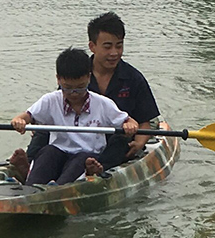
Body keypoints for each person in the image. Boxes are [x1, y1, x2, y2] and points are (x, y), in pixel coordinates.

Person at [23, 11, 160, 175]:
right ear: (92, 46)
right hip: (76, 137)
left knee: (119, 140)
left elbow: (146, 120)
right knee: (45, 130)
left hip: (111, 138)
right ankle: (27, 164)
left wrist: (139, 143)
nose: (114, 53)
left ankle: (96, 169)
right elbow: (61, 106)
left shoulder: (134, 79)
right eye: (107, 47)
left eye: (119, 45)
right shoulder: (76, 71)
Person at [10, 47, 138, 185]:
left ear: (89, 78)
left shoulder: (103, 103)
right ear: (58, 79)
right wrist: (19, 121)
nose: (74, 93)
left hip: (87, 154)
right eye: (68, 88)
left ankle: (63, 186)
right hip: (58, 151)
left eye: (80, 87)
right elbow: (26, 116)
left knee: (80, 161)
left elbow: (129, 121)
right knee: (47, 152)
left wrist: (129, 125)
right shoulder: (50, 100)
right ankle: (30, 183)